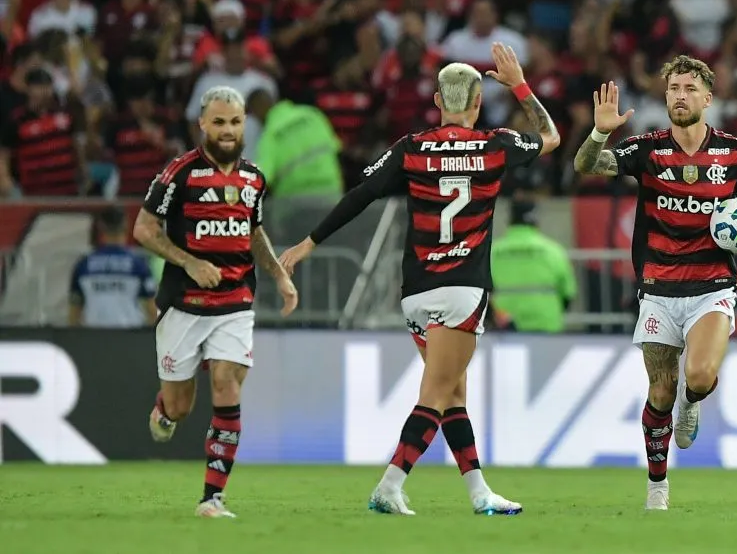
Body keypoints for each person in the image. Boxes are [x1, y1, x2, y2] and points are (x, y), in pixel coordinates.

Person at [279, 43, 560, 516]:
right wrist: (519, 86)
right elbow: (550, 137)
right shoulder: (497, 145)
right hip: (462, 287)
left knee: (452, 394)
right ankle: (390, 484)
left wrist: (308, 242)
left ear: (437, 102)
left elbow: (361, 194)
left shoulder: (411, 148)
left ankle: (479, 492)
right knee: (436, 394)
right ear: (476, 103)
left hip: (415, 292)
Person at [573, 56, 737, 511]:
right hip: (659, 288)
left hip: (712, 286)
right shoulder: (648, 149)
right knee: (659, 392)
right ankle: (657, 489)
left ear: (708, 98)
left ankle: (693, 401)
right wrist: (600, 131)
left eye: (689, 88)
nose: (679, 96)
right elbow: (587, 165)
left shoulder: (735, 153)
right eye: (672, 89)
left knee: (700, 379)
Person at [133, 86, 299, 519]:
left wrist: (280, 275)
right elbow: (144, 230)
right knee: (180, 407)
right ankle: (164, 410)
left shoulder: (254, 179)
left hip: (235, 300)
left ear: (245, 125)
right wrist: (189, 262)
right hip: (184, 305)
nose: (228, 131)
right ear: (203, 124)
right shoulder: (178, 174)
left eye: (236, 122)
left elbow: (254, 232)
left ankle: (212, 498)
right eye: (220, 122)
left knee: (226, 384)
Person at [490, 199, 577, 333]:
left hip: (504, 325)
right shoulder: (554, 251)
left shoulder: (493, 252)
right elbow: (568, 292)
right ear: (536, 221)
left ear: (510, 220)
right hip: (546, 323)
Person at [69, 206, 158, 328]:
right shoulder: (137, 264)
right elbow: (152, 310)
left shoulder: (84, 265)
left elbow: (74, 312)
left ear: (101, 227)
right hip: (130, 337)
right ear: (126, 225)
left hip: (92, 337)